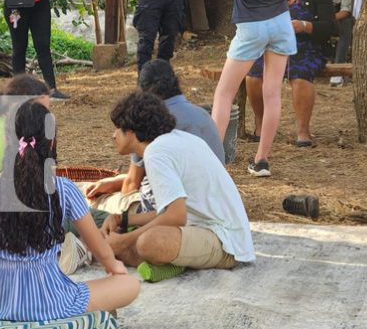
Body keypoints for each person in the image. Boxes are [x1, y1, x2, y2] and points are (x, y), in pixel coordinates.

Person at [0, 100, 139, 321]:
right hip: (51, 302)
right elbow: (102, 252)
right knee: (129, 284)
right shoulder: (64, 189)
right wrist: (114, 267)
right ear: (51, 144)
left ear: (7, 140)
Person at [103, 92, 255, 283]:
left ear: (132, 131)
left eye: (117, 128)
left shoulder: (155, 153)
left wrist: (126, 240)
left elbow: (176, 216)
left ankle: (172, 262)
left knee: (148, 242)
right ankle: (165, 261)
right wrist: (122, 219)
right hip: (211, 230)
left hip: (226, 245)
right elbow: (171, 211)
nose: (113, 135)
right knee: (135, 232)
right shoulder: (174, 140)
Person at [212, 0, 298, 178]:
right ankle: (261, 161)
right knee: (272, 94)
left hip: (251, 26)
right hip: (281, 25)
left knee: (224, 94)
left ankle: (213, 160)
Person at [85, 59, 225, 214]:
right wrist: (113, 182)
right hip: (215, 202)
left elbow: (132, 184)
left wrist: (121, 216)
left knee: (95, 204)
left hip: (182, 209)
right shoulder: (203, 115)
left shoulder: (150, 122)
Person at [246, 0, 336, 147]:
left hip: (307, 45)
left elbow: (331, 27)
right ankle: (260, 124)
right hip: (272, 45)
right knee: (253, 74)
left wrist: (304, 26)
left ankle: (303, 131)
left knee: (300, 74)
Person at [311, 0, 354, 86]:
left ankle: (338, 70)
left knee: (346, 25)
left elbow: (346, 10)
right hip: (318, 17)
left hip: (337, 16)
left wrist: (327, 19)